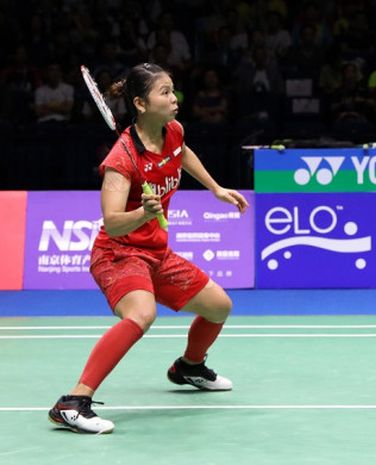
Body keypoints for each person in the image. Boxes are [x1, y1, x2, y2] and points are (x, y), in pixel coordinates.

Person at [48, 63, 249, 435]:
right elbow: (110, 222)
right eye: (165, 93)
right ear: (141, 103)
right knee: (141, 315)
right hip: (118, 253)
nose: (174, 99)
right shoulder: (121, 159)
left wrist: (215, 188)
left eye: (173, 91)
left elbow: (182, 153)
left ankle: (188, 367)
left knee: (219, 305)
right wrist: (143, 212)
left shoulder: (172, 131)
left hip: (156, 252)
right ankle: (73, 402)